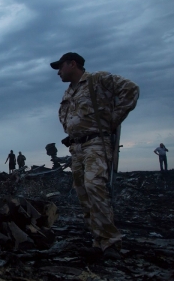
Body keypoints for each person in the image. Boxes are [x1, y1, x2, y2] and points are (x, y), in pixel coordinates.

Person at [51, 52, 139, 260]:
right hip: (77, 148)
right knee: (83, 193)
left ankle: (110, 242)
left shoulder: (97, 80)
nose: (58, 72)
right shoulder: (68, 93)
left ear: (72, 64)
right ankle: (98, 241)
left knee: (95, 186)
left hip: (96, 144)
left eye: (60, 67)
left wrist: (112, 120)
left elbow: (131, 90)